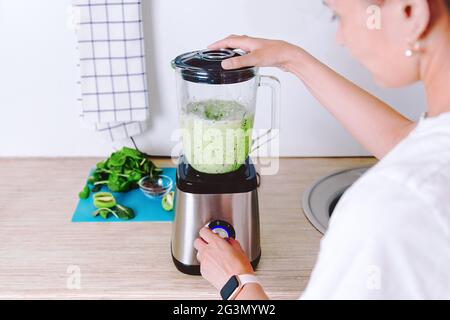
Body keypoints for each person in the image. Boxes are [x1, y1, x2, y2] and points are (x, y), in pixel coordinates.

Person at [193, 0, 450, 300]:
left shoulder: (390, 208)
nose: (340, 37)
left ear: (412, 11)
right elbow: (409, 142)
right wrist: (292, 59)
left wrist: (237, 283)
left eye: (338, 16)